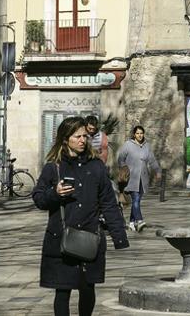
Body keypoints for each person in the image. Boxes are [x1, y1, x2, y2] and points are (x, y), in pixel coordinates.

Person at [33, 116, 128, 316]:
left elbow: (109, 203)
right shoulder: (54, 167)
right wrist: (55, 194)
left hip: (90, 238)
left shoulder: (97, 167)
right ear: (66, 138)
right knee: (63, 290)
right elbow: (39, 198)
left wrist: (119, 236)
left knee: (87, 289)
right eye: (77, 136)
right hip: (62, 240)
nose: (82, 140)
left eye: (85, 136)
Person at [116, 125, 160, 232]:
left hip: (143, 178)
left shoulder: (147, 146)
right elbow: (120, 159)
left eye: (141, 133)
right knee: (135, 199)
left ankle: (131, 223)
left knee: (137, 201)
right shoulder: (128, 145)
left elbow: (152, 160)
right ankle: (139, 221)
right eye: (137, 133)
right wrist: (124, 168)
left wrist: (158, 171)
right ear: (134, 134)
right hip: (131, 178)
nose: (140, 135)